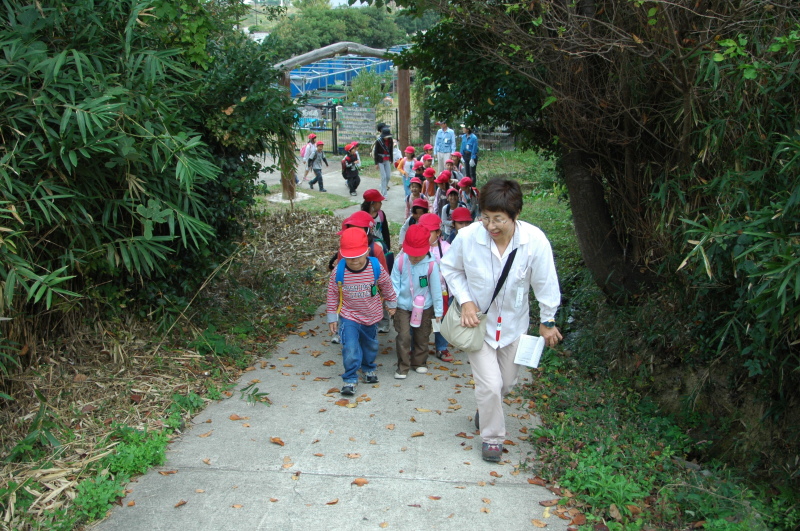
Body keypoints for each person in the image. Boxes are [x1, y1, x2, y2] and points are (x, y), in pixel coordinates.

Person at [441, 179, 562, 463]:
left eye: (499, 220)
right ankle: (492, 438)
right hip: (478, 326)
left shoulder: (534, 242)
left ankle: (486, 408)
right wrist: (466, 300)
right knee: (490, 385)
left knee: (506, 383)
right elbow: (451, 268)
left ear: (515, 215)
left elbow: (545, 281)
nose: (491, 226)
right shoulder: (469, 237)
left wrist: (548, 319)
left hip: (513, 326)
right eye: (485, 218)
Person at [327, 228, 397, 396]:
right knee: (350, 347)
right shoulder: (339, 271)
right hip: (349, 316)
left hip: (371, 315)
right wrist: (332, 317)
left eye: (358, 256)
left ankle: (368, 368)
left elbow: (386, 285)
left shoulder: (374, 267)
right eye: (349, 258)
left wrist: (391, 302)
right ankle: (350, 378)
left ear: (366, 251)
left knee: (370, 345)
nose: (355, 261)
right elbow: (332, 294)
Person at [391, 224, 443, 379]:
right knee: (404, 336)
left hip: (424, 306)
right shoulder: (400, 261)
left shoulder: (431, 265)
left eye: (418, 255)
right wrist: (392, 304)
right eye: (411, 254)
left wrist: (438, 311)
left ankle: (419, 362)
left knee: (422, 335)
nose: (414, 258)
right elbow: (394, 284)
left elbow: (436, 289)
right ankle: (403, 366)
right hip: (402, 305)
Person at [418, 213, 453, 362]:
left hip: (444, 292)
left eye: (430, 232)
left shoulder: (446, 249)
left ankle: (441, 347)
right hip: (422, 292)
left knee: (441, 320)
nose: (426, 235)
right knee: (421, 319)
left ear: (438, 233)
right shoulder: (416, 247)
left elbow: (454, 270)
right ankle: (419, 348)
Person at [361, 189, 393, 333]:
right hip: (367, 253)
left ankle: (384, 322)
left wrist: (387, 248)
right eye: (379, 201)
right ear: (372, 204)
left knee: (382, 284)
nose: (381, 204)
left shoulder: (381, 214)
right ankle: (368, 318)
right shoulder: (362, 216)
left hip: (381, 252)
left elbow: (385, 232)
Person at [372, 127, 395, 197]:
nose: (387, 138)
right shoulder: (379, 141)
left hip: (387, 159)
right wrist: (376, 163)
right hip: (380, 160)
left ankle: (383, 185)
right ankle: (384, 193)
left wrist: (391, 159)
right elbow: (376, 152)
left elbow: (391, 150)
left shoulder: (390, 140)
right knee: (383, 177)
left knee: (388, 176)